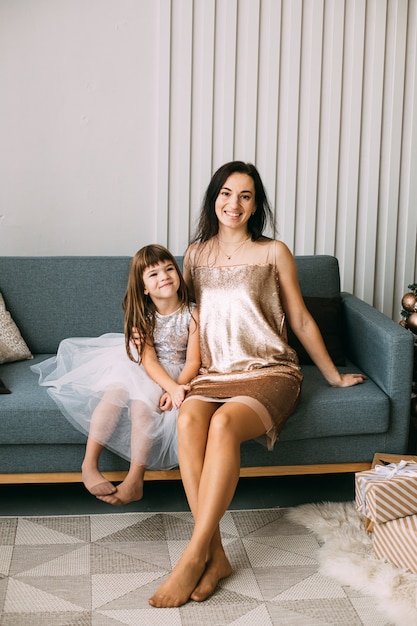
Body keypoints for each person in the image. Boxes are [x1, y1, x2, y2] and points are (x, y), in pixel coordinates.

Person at [148, 161, 367, 608]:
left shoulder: (273, 252)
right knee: (189, 418)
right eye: (227, 193)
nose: (235, 204)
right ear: (215, 198)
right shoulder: (194, 255)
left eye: (246, 196)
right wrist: (175, 382)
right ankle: (217, 553)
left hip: (269, 371)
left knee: (224, 424)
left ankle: (193, 556)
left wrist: (332, 375)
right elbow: (185, 323)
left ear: (256, 205)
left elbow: (301, 318)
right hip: (214, 373)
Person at [31, 244, 200, 505]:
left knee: (143, 408)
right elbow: (149, 361)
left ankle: (135, 480)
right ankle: (89, 464)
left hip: (176, 372)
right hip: (140, 366)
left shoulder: (194, 313)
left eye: (168, 269)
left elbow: (193, 361)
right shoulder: (141, 316)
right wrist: (170, 387)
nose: (164, 276)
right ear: (143, 287)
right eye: (153, 274)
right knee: (114, 394)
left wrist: (174, 388)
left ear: (178, 273)